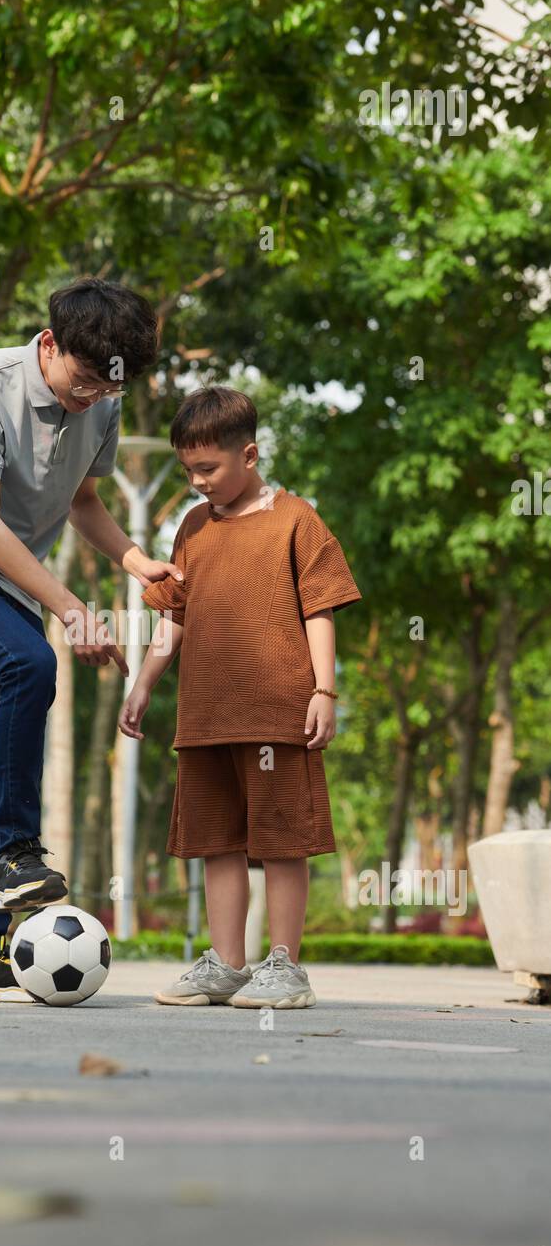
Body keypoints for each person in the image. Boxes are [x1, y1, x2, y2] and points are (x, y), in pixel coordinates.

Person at [0, 279, 181, 1001]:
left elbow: (83, 500)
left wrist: (137, 561)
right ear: (49, 345)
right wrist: (73, 611)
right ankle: (19, 852)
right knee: (30, 662)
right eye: (82, 383)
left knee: (5, 759)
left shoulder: (103, 402)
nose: (91, 400)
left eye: (106, 390)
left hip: (8, 588)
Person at [119, 385, 362, 1009]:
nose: (197, 482)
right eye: (188, 470)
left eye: (208, 469)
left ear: (249, 455)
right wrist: (143, 684)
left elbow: (320, 611)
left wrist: (325, 689)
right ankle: (226, 964)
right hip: (203, 716)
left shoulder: (297, 520)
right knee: (215, 839)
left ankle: (285, 967)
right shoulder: (193, 528)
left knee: (282, 840)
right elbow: (174, 619)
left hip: (279, 713)